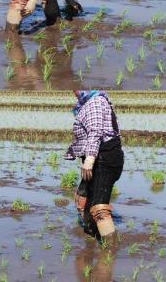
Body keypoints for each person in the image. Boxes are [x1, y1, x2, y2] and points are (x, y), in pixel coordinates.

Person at [65, 90, 124, 243]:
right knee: (82, 197)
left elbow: (96, 132)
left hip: (104, 157)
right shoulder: (88, 102)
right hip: (99, 156)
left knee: (100, 209)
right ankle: (90, 233)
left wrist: (89, 161)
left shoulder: (95, 102)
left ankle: (110, 250)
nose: (75, 91)